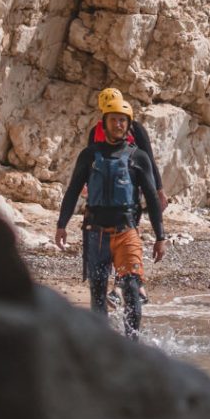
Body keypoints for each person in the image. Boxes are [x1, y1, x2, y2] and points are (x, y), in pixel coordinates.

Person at [54, 90, 166, 331]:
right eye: (113, 119)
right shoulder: (89, 155)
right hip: (95, 234)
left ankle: (133, 343)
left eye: (122, 120)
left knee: (132, 288)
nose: (118, 124)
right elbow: (73, 190)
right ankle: (103, 345)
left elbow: (151, 200)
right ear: (104, 122)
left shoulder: (139, 157)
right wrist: (61, 225)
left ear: (128, 125)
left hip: (126, 232)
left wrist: (160, 236)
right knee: (98, 292)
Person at [87, 86, 156, 162]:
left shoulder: (95, 130)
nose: (117, 124)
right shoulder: (136, 128)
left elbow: (89, 159)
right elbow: (149, 159)